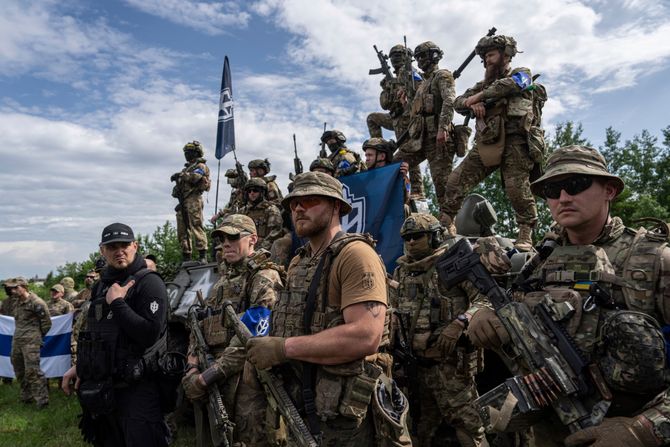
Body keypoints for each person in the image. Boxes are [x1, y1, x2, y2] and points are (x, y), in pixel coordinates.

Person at [466, 145, 670, 446]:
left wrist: (644, 429)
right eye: (552, 188)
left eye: (576, 184)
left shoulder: (654, 260)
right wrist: (478, 313)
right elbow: (507, 297)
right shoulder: (539, 260)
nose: (563, 197)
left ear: (609, 190)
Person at [245, 171, 398, 446]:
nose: (299, 208)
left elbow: (366, 335)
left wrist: (283, 348)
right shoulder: (299, 262)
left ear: (337, 206)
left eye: (311, 199)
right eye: (293, 204)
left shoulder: (355, 255)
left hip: (347, 417)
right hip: (306, 403)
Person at [62, 222, 170, 447]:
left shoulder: (149, 282)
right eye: (112, 247)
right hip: (105, 387)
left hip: (139, 389)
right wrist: (82, 366)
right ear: (102, 250)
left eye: (124, 245)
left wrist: (119, 303)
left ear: (135, 246)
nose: (119, 251)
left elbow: (149, 334)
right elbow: (95, 333)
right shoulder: (101, 286)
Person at [182, 214, 284, 446]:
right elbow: (199, 326)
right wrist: (192, 367)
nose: (225, 243)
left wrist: (207, 377)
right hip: (216, 380)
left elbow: (253, 337)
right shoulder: (221, 283)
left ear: (252, 240)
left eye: (233, 237)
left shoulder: (264, 277)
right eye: (221, 238)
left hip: (248, 385)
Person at [390, 213, 489, 447]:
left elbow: (485, 298)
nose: (411, 242)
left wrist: (459, 323)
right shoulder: (401, 272)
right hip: (414, 366)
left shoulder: (452, 265)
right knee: (416, 428)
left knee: (469, 426)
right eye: (407, 238)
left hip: (450, 366)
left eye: (417, 236)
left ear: (435, 237)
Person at [443, 35, 546, 251]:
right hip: (488, 140)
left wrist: (479, 97)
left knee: (516, 188)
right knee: (455, 180)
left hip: (516, 141)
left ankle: (525, 233)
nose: (487, 61)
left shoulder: (522, 73)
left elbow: (513, 85)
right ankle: (445, 225)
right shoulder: (482, 84)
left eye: (491, 55)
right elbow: (458, 102)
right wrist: (473, 104)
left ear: (506, 54)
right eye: (484, 57)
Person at [394, 40, 456, 214]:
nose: (420, 60)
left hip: (438, 138)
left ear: (434, 56)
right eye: (418, 57)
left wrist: (443, 128)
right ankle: (404, 206)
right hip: (420, 139)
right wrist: (406, 104)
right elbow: (417, 112)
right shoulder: (423, 85)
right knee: (393, 167)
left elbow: (449, 100)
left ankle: (449, 224)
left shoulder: (442, 75)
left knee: (442, 186)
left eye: (424, 55)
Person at [367, 44, 425, 198]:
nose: (395, 59)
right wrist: (388, 88)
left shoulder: (411, 74)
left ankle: (418, 189)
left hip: (407, 116)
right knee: (372, 118)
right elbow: (384, 104)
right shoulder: (390, 80)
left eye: (399, 55)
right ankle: (379, 146)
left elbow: (420, 89)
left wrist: (405, 90)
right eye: (393, 57)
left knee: (408, 151)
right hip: (394, 117)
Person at [4, 276, 51, 408]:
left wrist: (36, 337)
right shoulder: (16, 302)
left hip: (31, 341)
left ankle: (42, 400)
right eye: (11, 288)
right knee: (19, 369)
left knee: (33, 371)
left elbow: (46, 323)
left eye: (15, 288)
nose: (13, 291)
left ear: (24, 287)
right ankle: (26, 396)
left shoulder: (37, 302)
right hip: (17, 339)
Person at [171, 140, 211, 263]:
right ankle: (186, 255)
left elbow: (195, 178)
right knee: (182, 230)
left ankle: (202, 254)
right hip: (183, 201)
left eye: (190, 152)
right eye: (186, 152)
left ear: (197, 153)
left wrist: (181, 176)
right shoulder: (186, 169)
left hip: (194, 199)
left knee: (196, 225)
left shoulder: (200, 166)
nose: (187, 154)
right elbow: (176, 191)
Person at [240, 177, 285, 252]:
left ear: (262, 192)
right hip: (245, 247)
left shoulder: (271, 210)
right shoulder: (243, 211)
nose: (252, 193)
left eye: (255, 190)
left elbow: (275, 234)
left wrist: (259, 251)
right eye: (249, 191)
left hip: (265, 249)